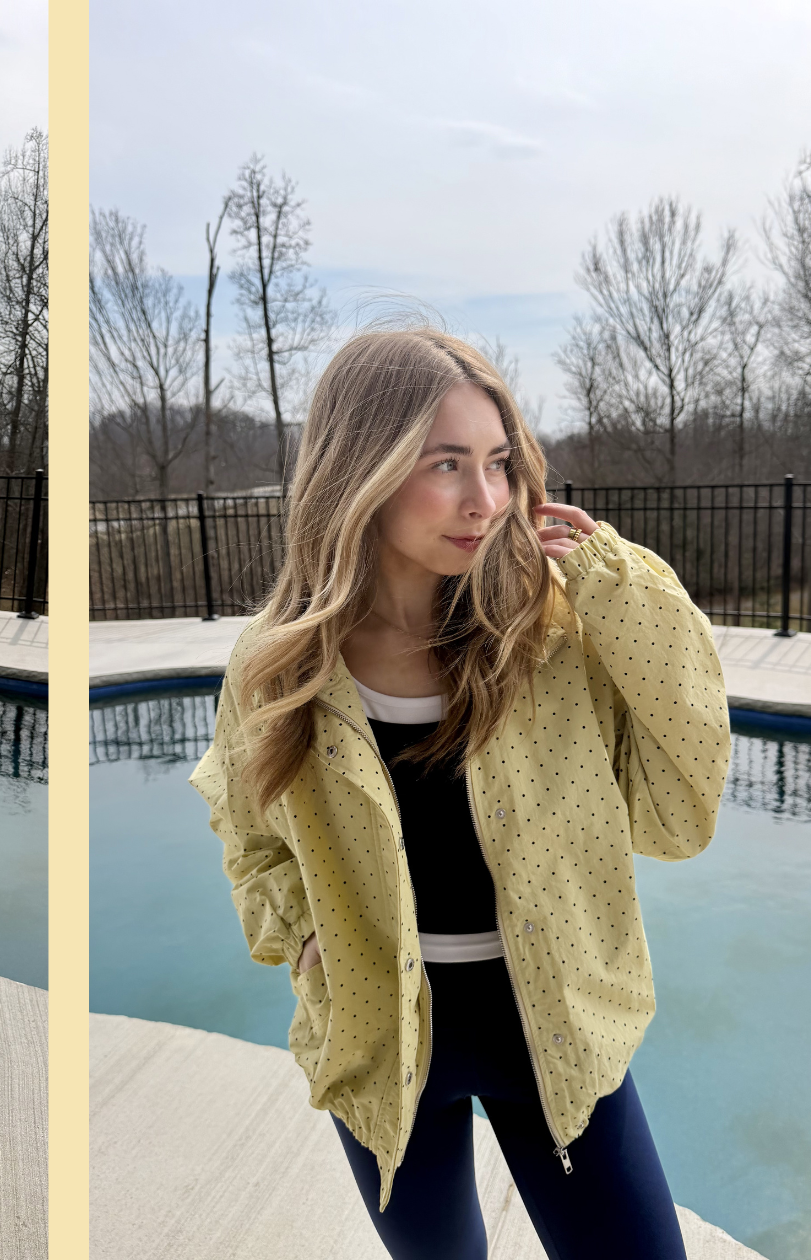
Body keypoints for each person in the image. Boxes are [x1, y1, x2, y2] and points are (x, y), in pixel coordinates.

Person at [190, 326, 731, 1259]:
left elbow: (685, 804)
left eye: (499, 463)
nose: (485, 500)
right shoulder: (278, 664)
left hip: (554, 1014)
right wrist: (297, 930)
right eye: (447, 464)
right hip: (380, 1027)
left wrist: (625, 592)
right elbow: (246, 827)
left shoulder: (549, 637)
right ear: (364, 470)